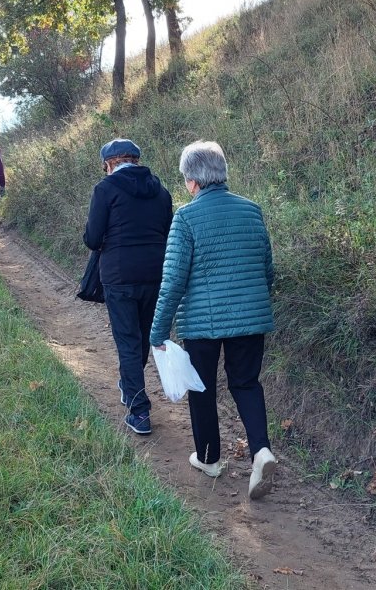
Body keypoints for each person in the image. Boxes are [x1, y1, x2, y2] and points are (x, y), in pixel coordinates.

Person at [149, 140, 278, 499]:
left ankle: (209, 458)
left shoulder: (186, 218)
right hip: (251, 317)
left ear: (192, 180)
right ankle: (261, 451)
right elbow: (267, 270)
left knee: (201, 387)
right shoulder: (252, 211)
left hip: (203, 324)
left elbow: (173, 280)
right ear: (222, 173)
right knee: (247, 383)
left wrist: (158, 331)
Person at [83, 139, 173, 435]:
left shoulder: (104, 189)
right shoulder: (161, 191)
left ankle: (139, 410)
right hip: (155, 273)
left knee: (127, 341)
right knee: (143, 336)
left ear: (109, 163)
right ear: (136, 160)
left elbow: (93, 239)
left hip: (119, 275)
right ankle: (130, 384)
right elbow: (167, 231)